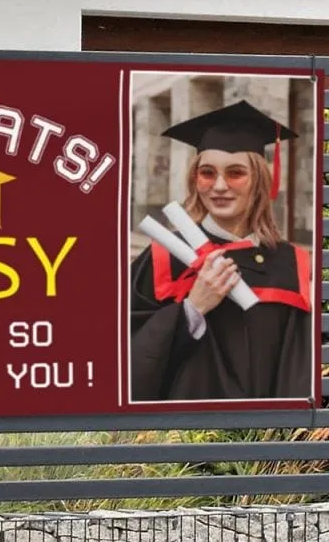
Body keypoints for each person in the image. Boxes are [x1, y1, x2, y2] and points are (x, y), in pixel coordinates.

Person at [130, 99, 314, 402]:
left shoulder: (291, 265)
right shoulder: (164, 257)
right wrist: (192, 309)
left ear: (259, 180)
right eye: (207, 173)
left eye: (235, 173)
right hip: (183, 432)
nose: (218, 186)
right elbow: (121, 351)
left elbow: (297, 370)